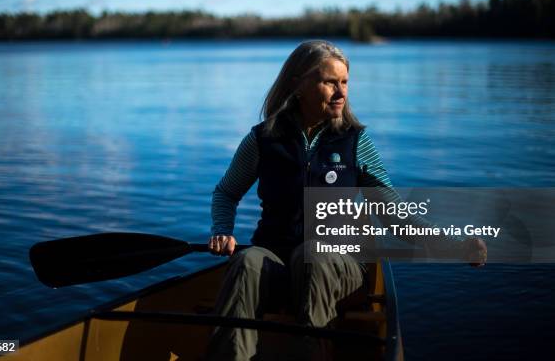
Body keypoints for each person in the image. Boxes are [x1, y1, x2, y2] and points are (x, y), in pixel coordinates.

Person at [205, 40, 487, 361]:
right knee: (247, 261)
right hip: (278, 257)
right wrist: (222, 228)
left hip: (341, 265)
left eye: (345, 82)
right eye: (330, 82)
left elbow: (394, 213)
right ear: (299, 84)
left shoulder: (355, 141)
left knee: (312, 256)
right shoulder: (263, 138)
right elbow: (226, 192)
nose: (341, 92)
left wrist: (452, 245)